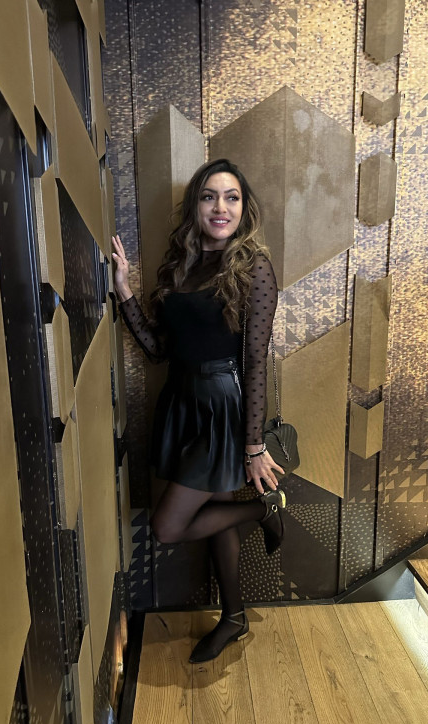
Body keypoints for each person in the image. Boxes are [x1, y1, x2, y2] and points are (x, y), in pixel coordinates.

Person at [112, 158, 286, 663]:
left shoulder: (253, 267)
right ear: (196, 205)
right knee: (215, 516)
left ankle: (267, 508)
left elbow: (255, 361)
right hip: (181, 402)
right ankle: (234, 616)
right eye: (210, 196)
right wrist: (124, 290)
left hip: (222, 407)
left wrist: (253, 445)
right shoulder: (180, 264)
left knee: (167, 526)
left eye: (232, 197)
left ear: (244, 208)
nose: (220, 207)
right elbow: (158, 351)